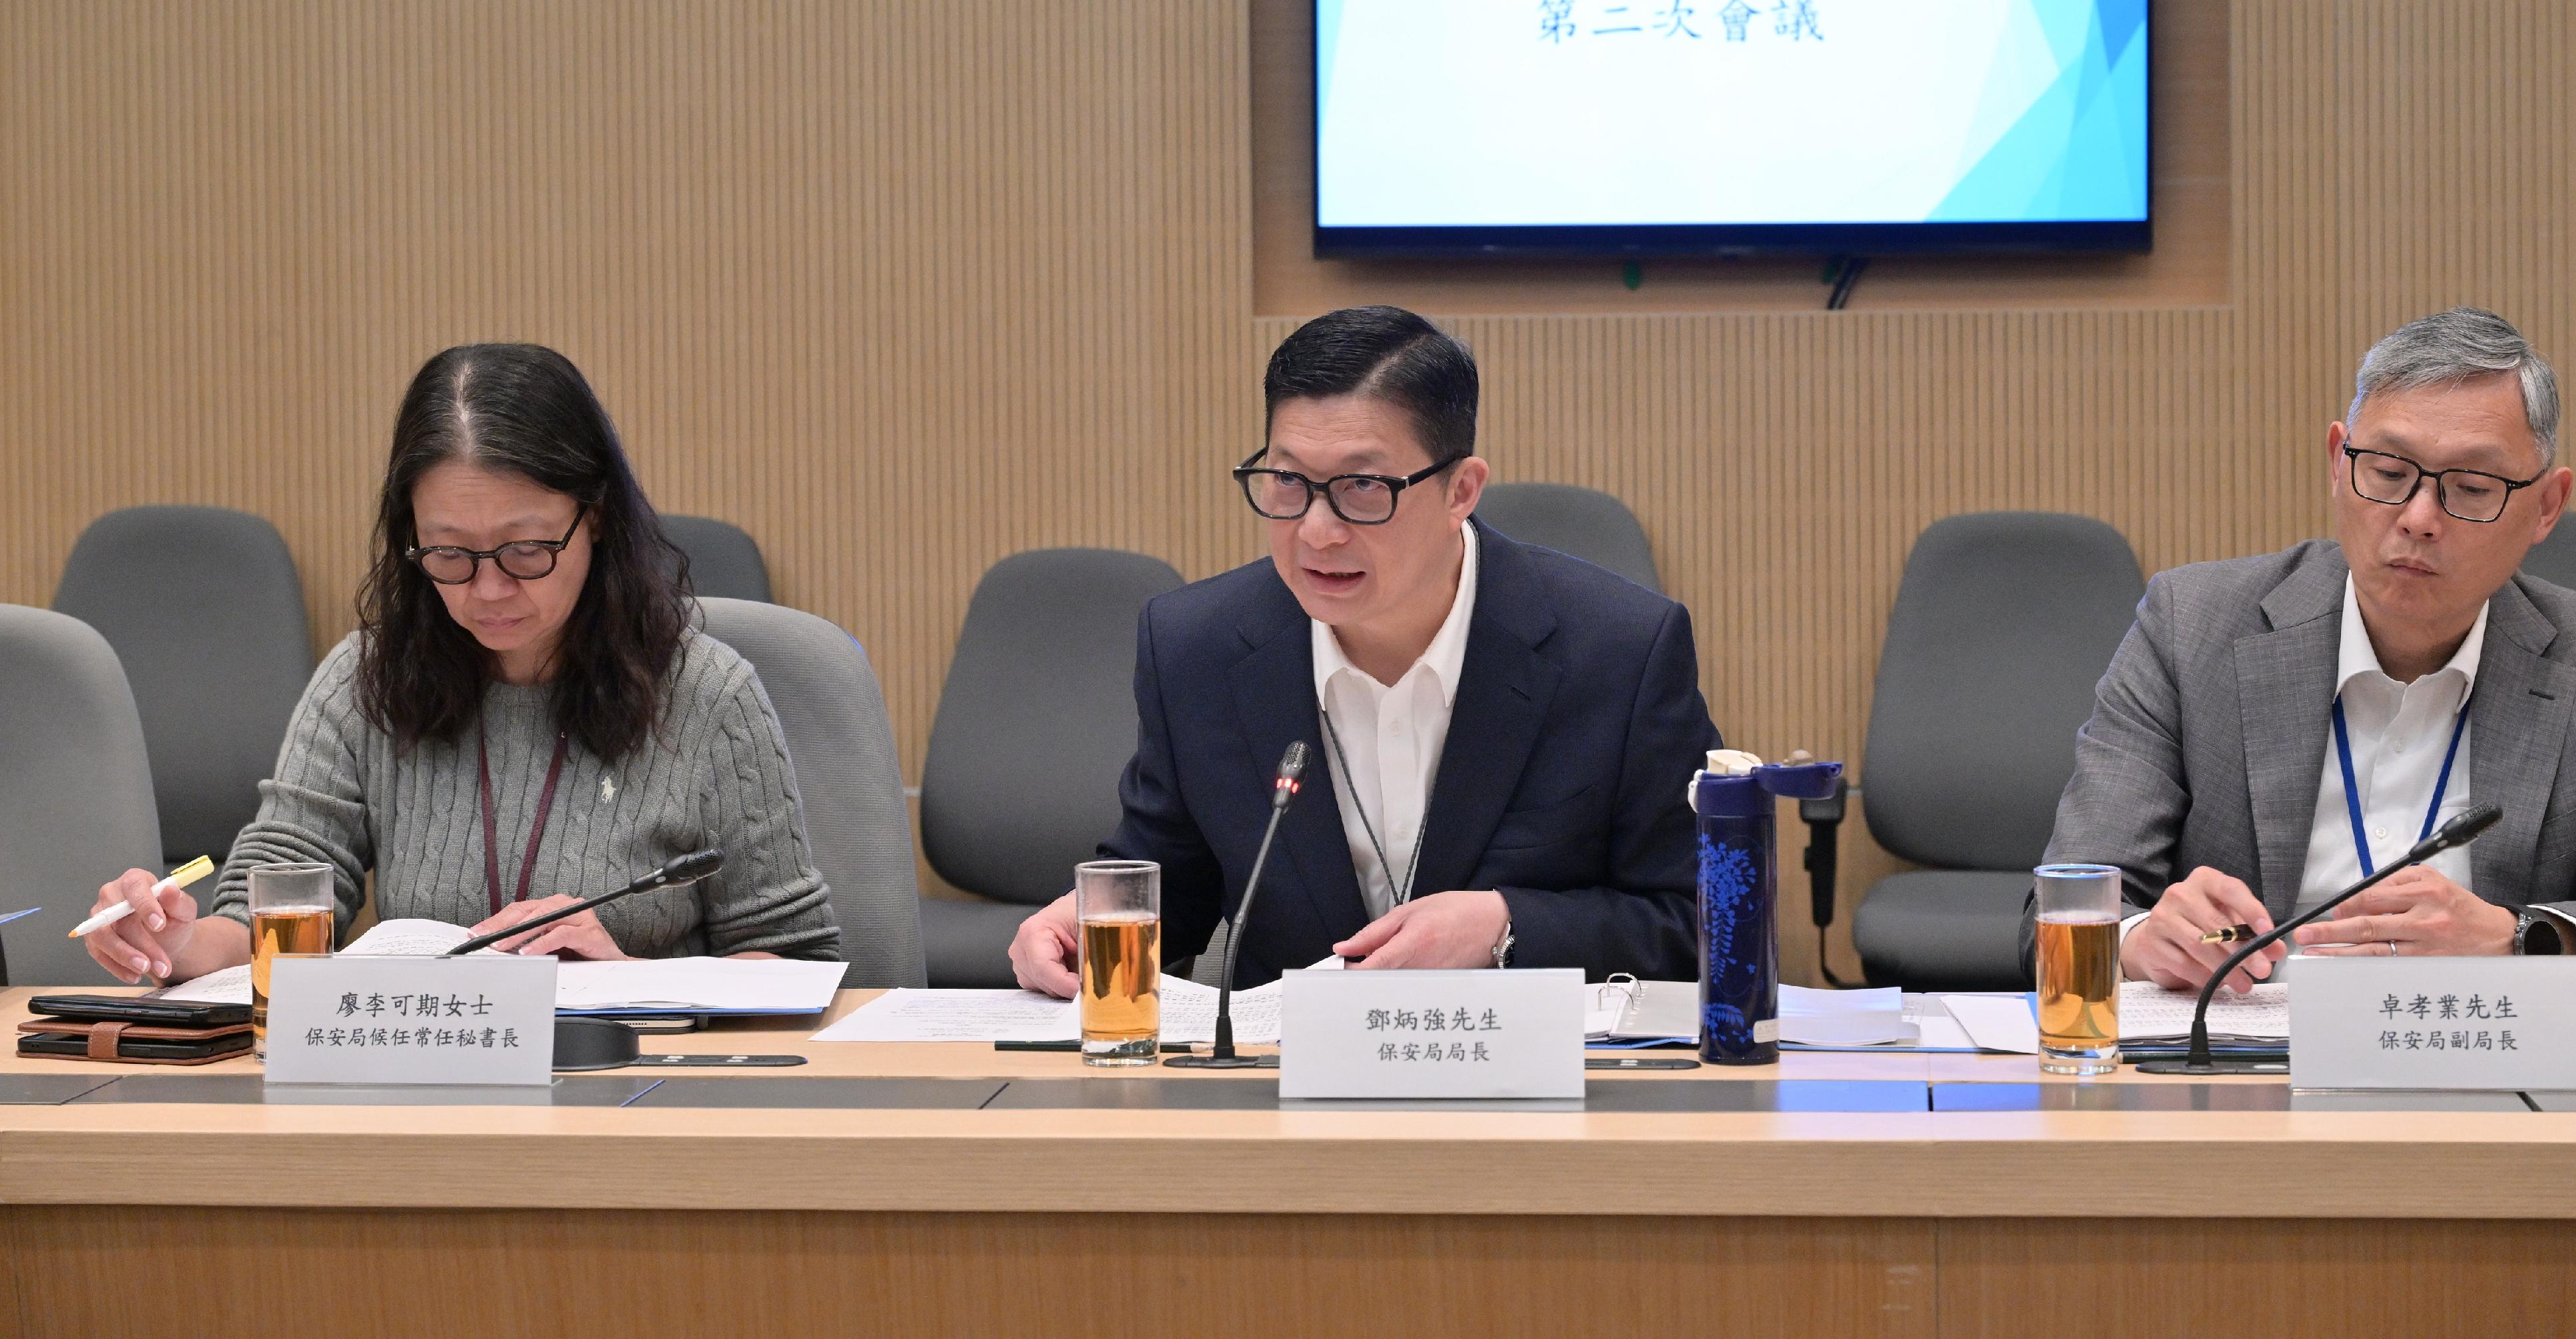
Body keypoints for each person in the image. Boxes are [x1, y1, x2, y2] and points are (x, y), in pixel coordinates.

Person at [1009, 306, 1720, 994]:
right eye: (1289, 481)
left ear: (1459, 491)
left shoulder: (1618, 651)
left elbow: (1701, 920)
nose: (1316, 531)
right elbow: (1178, 881)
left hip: (1529, 1088)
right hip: (1283, 1089)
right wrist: (1088, 926)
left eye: (1361, 487)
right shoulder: (1196, 649)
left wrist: (1505, 928)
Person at [82, 343, 842, 985]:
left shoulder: (707, 697)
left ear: (597, 517)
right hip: (429, 1093)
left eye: (525, 549)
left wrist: (625, 980)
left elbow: (802, 961)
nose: (487, 589)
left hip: (640, 1097)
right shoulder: (365, 682)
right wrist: (175, 943)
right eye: (448, 552)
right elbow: (275, 908)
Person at [2029, 308, 2576, 997]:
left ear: (2546, 506)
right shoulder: (2189, 629)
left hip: (2483, 1062)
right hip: (2249, 1071)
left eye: (2472, 490)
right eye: (2389, 473)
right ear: (2338, 461)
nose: (2419, 518)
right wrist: (2141, 940)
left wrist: (2516, 940)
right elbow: (2065, 904)